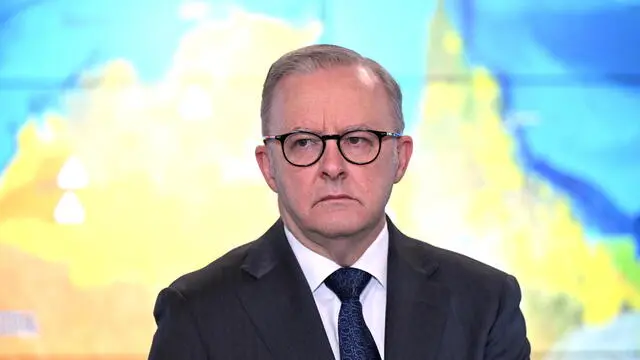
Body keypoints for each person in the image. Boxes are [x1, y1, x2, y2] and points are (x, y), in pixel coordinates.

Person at [147, 44, 531, 360]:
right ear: (268, 167)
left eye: (358, 140)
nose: (333, 166)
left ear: (401, 157)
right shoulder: (197, 312)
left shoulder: (485, 302)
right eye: (304, 143)